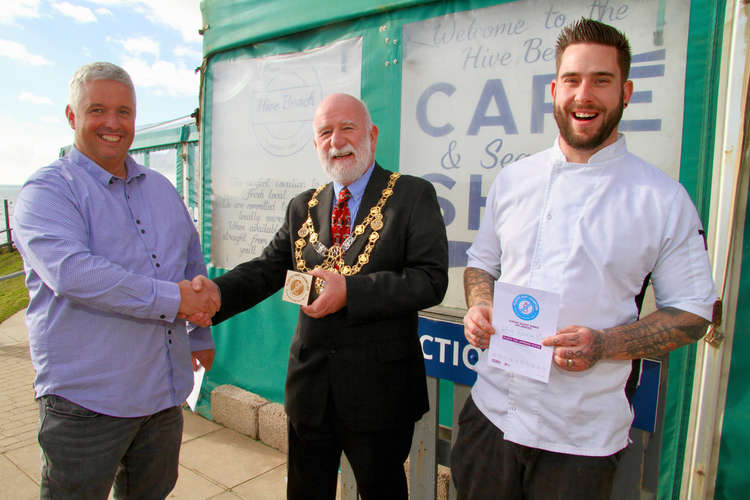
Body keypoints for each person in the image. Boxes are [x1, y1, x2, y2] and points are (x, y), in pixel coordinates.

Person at [450, 19, 717, 500]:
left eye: (602, 80)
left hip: (581, 438)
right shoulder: (515, 180)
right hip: (491, 415)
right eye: (572, 80)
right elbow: (481, 264)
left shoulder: (662, 198)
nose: (584, 95)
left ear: (627, 91)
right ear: (554, 89)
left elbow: (695, 313)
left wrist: (606, 343)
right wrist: (479, 305)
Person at [191, 93, 449, 499]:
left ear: (371, 134)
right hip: (310, 390)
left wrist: (353, 291)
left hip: (380, 392)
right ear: (315, 144)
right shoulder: (303, 207)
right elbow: (267, 269)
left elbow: (430, 279)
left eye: (347, 128)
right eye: (325, 132)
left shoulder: (411, 196)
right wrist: (215, 294)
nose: (336, 140)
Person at [13, 62, 219, 499]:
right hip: (86, 404)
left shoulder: (161, 188)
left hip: (163, 397)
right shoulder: (46, 192)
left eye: (124, 112)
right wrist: (175, 300)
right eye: (98, 110)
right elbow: (74, 273)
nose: (113, 123)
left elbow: (190, 260)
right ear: (72, 116)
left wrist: (200, 331)